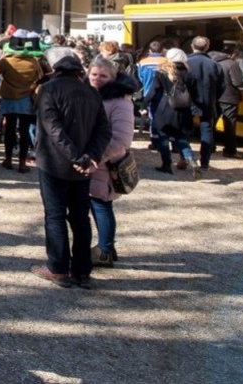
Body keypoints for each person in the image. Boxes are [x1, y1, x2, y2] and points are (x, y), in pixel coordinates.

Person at [31, 55, 112, 289]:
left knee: (55, 216)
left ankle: (57, 268)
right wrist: (89, 158)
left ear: (57, 70)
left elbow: (53, 129)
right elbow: (103, 131)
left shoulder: (48, 89)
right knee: (80, 218)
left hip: (55, 162)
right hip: (82, 163)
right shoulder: (91, 92)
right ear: (80, 72)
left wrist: (80, 157)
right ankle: (82, 270)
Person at [86, 56, 139, 268]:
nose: (97, 79)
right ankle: (107, 246)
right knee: (95, 202)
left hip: (105, 163)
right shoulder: (91, 94)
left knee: (101, 203)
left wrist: (95, 158)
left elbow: (122, 139)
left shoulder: (119, 101)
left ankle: (105, 250)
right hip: (92, 159)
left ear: (113, 77)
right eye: (94, 74)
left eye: (103, 76)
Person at [0, 34, 43, 173]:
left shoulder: (6, 62)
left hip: (9, 97)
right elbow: (39, 76)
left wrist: (2, 59)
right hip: (26, 98)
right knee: (24, 130)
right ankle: (22, 163)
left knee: (9, 129)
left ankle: (8, 159)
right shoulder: (33, 61)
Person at [152, 48, 200, 179]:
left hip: (165, 109)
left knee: (163, 139)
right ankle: (191, 160)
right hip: (183, 110)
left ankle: (166, 165)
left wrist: (144, 105)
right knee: (181, 139)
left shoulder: (161, 73)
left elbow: (153, 91)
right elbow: (195, 93)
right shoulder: (190, 73)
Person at [186, 37, 225, 171]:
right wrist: (213, 98)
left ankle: (187, 158)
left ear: (192, 46)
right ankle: (204, 163)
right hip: (208, 102)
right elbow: (222, 86)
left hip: (188, 102)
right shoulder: (214, 65)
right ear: (207, 47)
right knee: (207, 132)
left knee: (185, 131)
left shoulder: (186, 63)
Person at [212, 42, 243, 159]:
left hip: (214, 96)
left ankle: (210, 147)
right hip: (229, 97)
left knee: (211, 122)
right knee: (229, 124)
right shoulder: (232, 64)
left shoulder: (212, 62)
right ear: (233, 54)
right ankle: (230, 150)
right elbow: (239, 82)